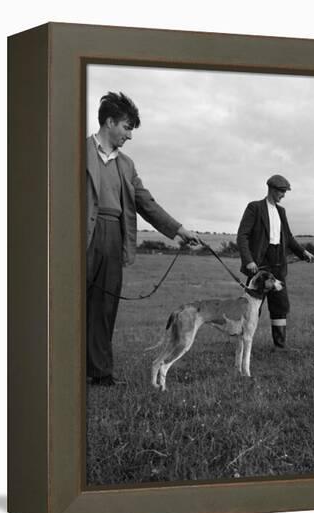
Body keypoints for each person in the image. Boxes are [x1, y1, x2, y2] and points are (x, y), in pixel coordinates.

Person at [86, 92, 200, 386]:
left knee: (105, 309)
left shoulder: (127, 164)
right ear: (109, 122)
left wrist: (178, 229)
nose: (129, 135)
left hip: (113, 237)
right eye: (126, 127)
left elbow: (146, 203)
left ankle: (99, 374)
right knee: (69, 306)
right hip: (78, 237)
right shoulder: (75, 150)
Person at [237, 175, 314, 349]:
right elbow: (242, 236)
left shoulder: (282, 212)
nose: (283, 195)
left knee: (280, 305)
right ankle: (244, 344)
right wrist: (249, 261)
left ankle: (280, 347)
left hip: (278, 263)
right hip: (258, 265)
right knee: (251, 306)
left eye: (285, 192)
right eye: (281, 191)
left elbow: (288, 237)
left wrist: (303, 253)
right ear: (271, 189)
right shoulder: (254, 207)